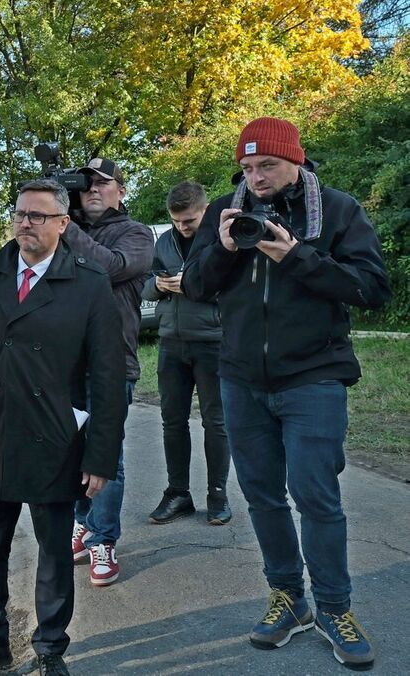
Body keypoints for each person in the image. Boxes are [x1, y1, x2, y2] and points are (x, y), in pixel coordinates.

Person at [183, 117, 390, 670]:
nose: (256, 178)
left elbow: (371, 289)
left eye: (267, 166)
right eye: (247, 168)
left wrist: (296, 256)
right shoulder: (224, 212)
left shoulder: (339, 210)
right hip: (241, 377)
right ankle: (288, 597)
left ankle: (334, 608)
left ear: (295, 159)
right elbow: (196, 287)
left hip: (314, 375)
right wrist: (224, 248)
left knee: (315, 494)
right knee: (263, 494)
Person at [0, 179, 126, 676]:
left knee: (52, 555)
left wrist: (100, 455)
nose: (26, 223)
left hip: (54, 440)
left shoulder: (88, 283)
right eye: (20, 214)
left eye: (38, 216)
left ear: (63, 224)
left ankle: (50, 648)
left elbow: (107, 376)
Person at [62, 157, 153, 586]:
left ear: (121, 190)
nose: (94, 190)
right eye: (86, 185)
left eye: (104, 183)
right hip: (64, 364)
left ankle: (103, 539)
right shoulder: (65, 230)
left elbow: (108, 267)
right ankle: (83, 521)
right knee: (73, 454)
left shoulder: (134, 234)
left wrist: (64, 222)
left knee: (106, 455)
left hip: (112, 365)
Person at [141, 181, 230, 526]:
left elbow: (235, 293)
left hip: (212, 341)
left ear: (205, 211)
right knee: (172, 421)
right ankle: (178, 493)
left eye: (189, 220)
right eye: (177, 220)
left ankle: (217, 495)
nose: (182, 227)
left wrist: (193, 286)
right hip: (171, 342)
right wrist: (159, 285)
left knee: (215, 423)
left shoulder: (222, 241)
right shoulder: (163, 241)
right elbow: (146, 282)